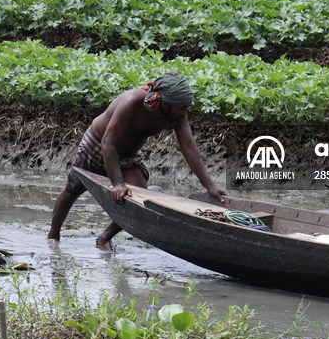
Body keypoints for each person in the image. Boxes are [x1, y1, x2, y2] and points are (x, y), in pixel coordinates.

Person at [47, 70, 226, 250]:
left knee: (138, 198)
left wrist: (209, 186)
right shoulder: (131, 102)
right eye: (182, 107)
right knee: (73, 189)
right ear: (164, 103)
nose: (185, 111)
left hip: (128, 155)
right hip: (98, 144)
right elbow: (108, 144)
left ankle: (104, 237)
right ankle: (54, 234)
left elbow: (189, 148)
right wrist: (117, 183)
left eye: (186, 107)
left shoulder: (177, 113)